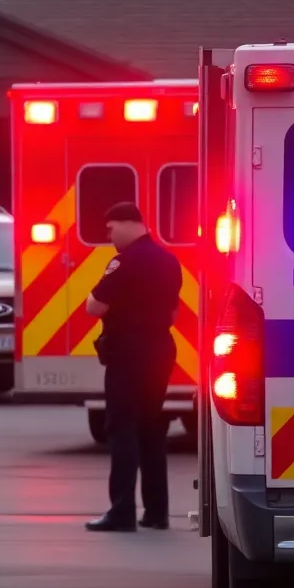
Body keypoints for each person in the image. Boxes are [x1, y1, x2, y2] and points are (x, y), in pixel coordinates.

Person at [82, 202, 182, 533]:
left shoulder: (122, 263)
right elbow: (172, 314)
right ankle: (157, 512)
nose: (109, 236)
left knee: (122, 428)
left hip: (128, 353)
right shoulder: (169, 261)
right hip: (160, 351)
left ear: (128, 223)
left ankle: (121, 511)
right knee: (151, 429)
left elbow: (93, 307)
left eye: (110, 229)